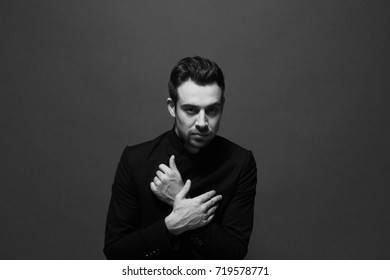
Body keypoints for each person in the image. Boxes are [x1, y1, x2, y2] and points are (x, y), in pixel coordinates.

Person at [103, 56, 257, 259]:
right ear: (171, 107)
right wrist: (170, 226)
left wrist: (182, 201)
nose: (202, 122)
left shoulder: (240, 163)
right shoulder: (135, 160)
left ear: (222, 106)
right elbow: (115, 252)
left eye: (212, 110)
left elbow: (234, 254)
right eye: (191, 110)